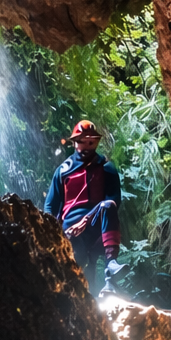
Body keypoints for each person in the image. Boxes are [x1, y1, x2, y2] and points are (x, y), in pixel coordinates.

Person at [44, 120, 127, 293]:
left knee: (108, 206)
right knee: (81, 273)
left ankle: (111, 264)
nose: (87, 147)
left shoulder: (106, 167)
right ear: (75, 142)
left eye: (91, 142)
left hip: (95, 224)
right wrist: (55, 233)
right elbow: (50, 206)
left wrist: (87, 219)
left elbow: (114, 199)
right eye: (83, 142)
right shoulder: (62, 171)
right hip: (69, 231)